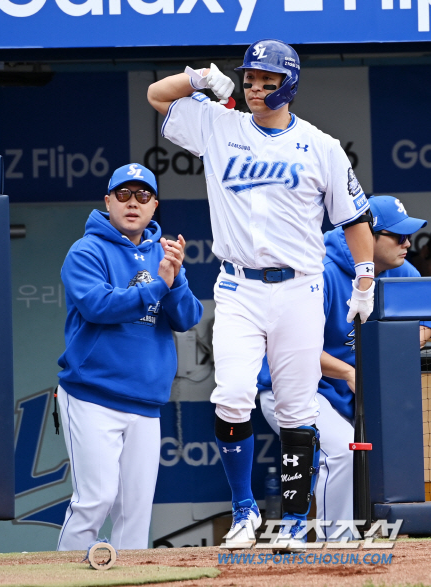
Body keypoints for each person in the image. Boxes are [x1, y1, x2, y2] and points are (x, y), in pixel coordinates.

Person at [147, 39, 375, 549]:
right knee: (230, 396)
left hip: (298, 287)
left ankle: (294, 521)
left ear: (288, 84)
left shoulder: (321, 145)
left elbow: (356, 219)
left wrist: (365, 279)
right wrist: (203, 78)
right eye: (249, 79)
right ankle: (245, 513)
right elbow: (158, 96)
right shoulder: (219, 125)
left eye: (266, 81)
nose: (253, 88)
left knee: (297, 409)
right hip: (237, 285)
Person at [259, 195, 431, 540]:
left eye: (408, 235)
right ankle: (334, 548)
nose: (408, 244)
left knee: (372, 457)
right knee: (339, 452)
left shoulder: (402, 270)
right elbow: (291, 346)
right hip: (294, 385)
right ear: (367, 236)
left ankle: (352, 541)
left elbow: (426, 323)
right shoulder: (319, 269)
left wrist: (415, 336)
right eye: (398, 237)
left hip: (353, 393)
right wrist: (352, 372)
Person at [56, 163, 203, 550]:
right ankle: (59, 578)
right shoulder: (85, 250)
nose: (132, 202)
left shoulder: (164, 252)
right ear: (108, 201)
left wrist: (176, 278)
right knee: (95, 501)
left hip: (145, 401)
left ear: (155, 205)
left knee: (135, 512)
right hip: (92, 394)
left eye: (142, 195)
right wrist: (159, 284)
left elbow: (187, 318)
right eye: (123, 194)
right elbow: (98, 306)